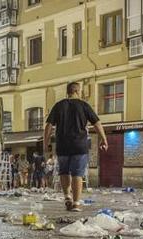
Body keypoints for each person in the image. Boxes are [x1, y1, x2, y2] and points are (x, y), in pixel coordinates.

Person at [45, 81, 108, 212]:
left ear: (67, 92)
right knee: (77, 174)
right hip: (79, 145)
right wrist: (104, 139)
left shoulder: (59, 105)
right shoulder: (84, 105)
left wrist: (46, 143)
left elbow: (49, 126)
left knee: (64, 172)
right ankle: (76, 203)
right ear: (77, 91)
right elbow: (97, 123)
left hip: (62, 145)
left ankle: (67, 196)